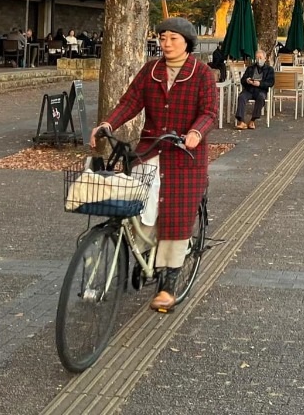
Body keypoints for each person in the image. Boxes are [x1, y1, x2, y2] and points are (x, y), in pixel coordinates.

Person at [91, 17, 216, 312]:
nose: (166, 44)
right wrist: (108, 123)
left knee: (175, 218)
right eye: (162, 38)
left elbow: (209, 111)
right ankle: (146, 254)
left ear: (187, 42)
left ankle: (167, 285)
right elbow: (130, 101)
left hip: (186, 156)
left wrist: (196, 132)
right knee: (138, 207)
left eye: (173, 38)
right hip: (151, 150)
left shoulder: (202, 74)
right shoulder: (152, 71)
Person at [234, 49, 275, 129]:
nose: (258, 60)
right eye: (257, 58)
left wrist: (260, 84)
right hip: (249, 89)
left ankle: (252, 120)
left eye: (260, 57)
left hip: (260, 90)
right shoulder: (250, 68)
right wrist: (247, 80)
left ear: (265, 58)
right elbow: (243, 80)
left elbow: (271, 82)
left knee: (261, 98)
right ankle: (241, 121)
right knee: (241, 97)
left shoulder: (270, 69)